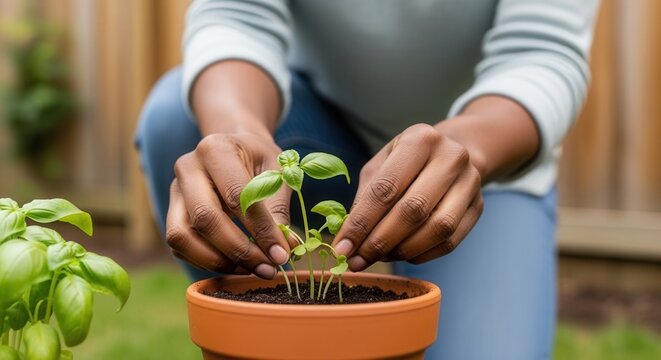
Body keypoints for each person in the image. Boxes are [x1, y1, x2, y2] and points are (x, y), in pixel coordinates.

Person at [135, 0, 599, 358]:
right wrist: (238, 128)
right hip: (314, 122)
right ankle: (259, 324)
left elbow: (544, 52)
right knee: (176, 120)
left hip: (485, 155)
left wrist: (470, 150)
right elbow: (235, 16)